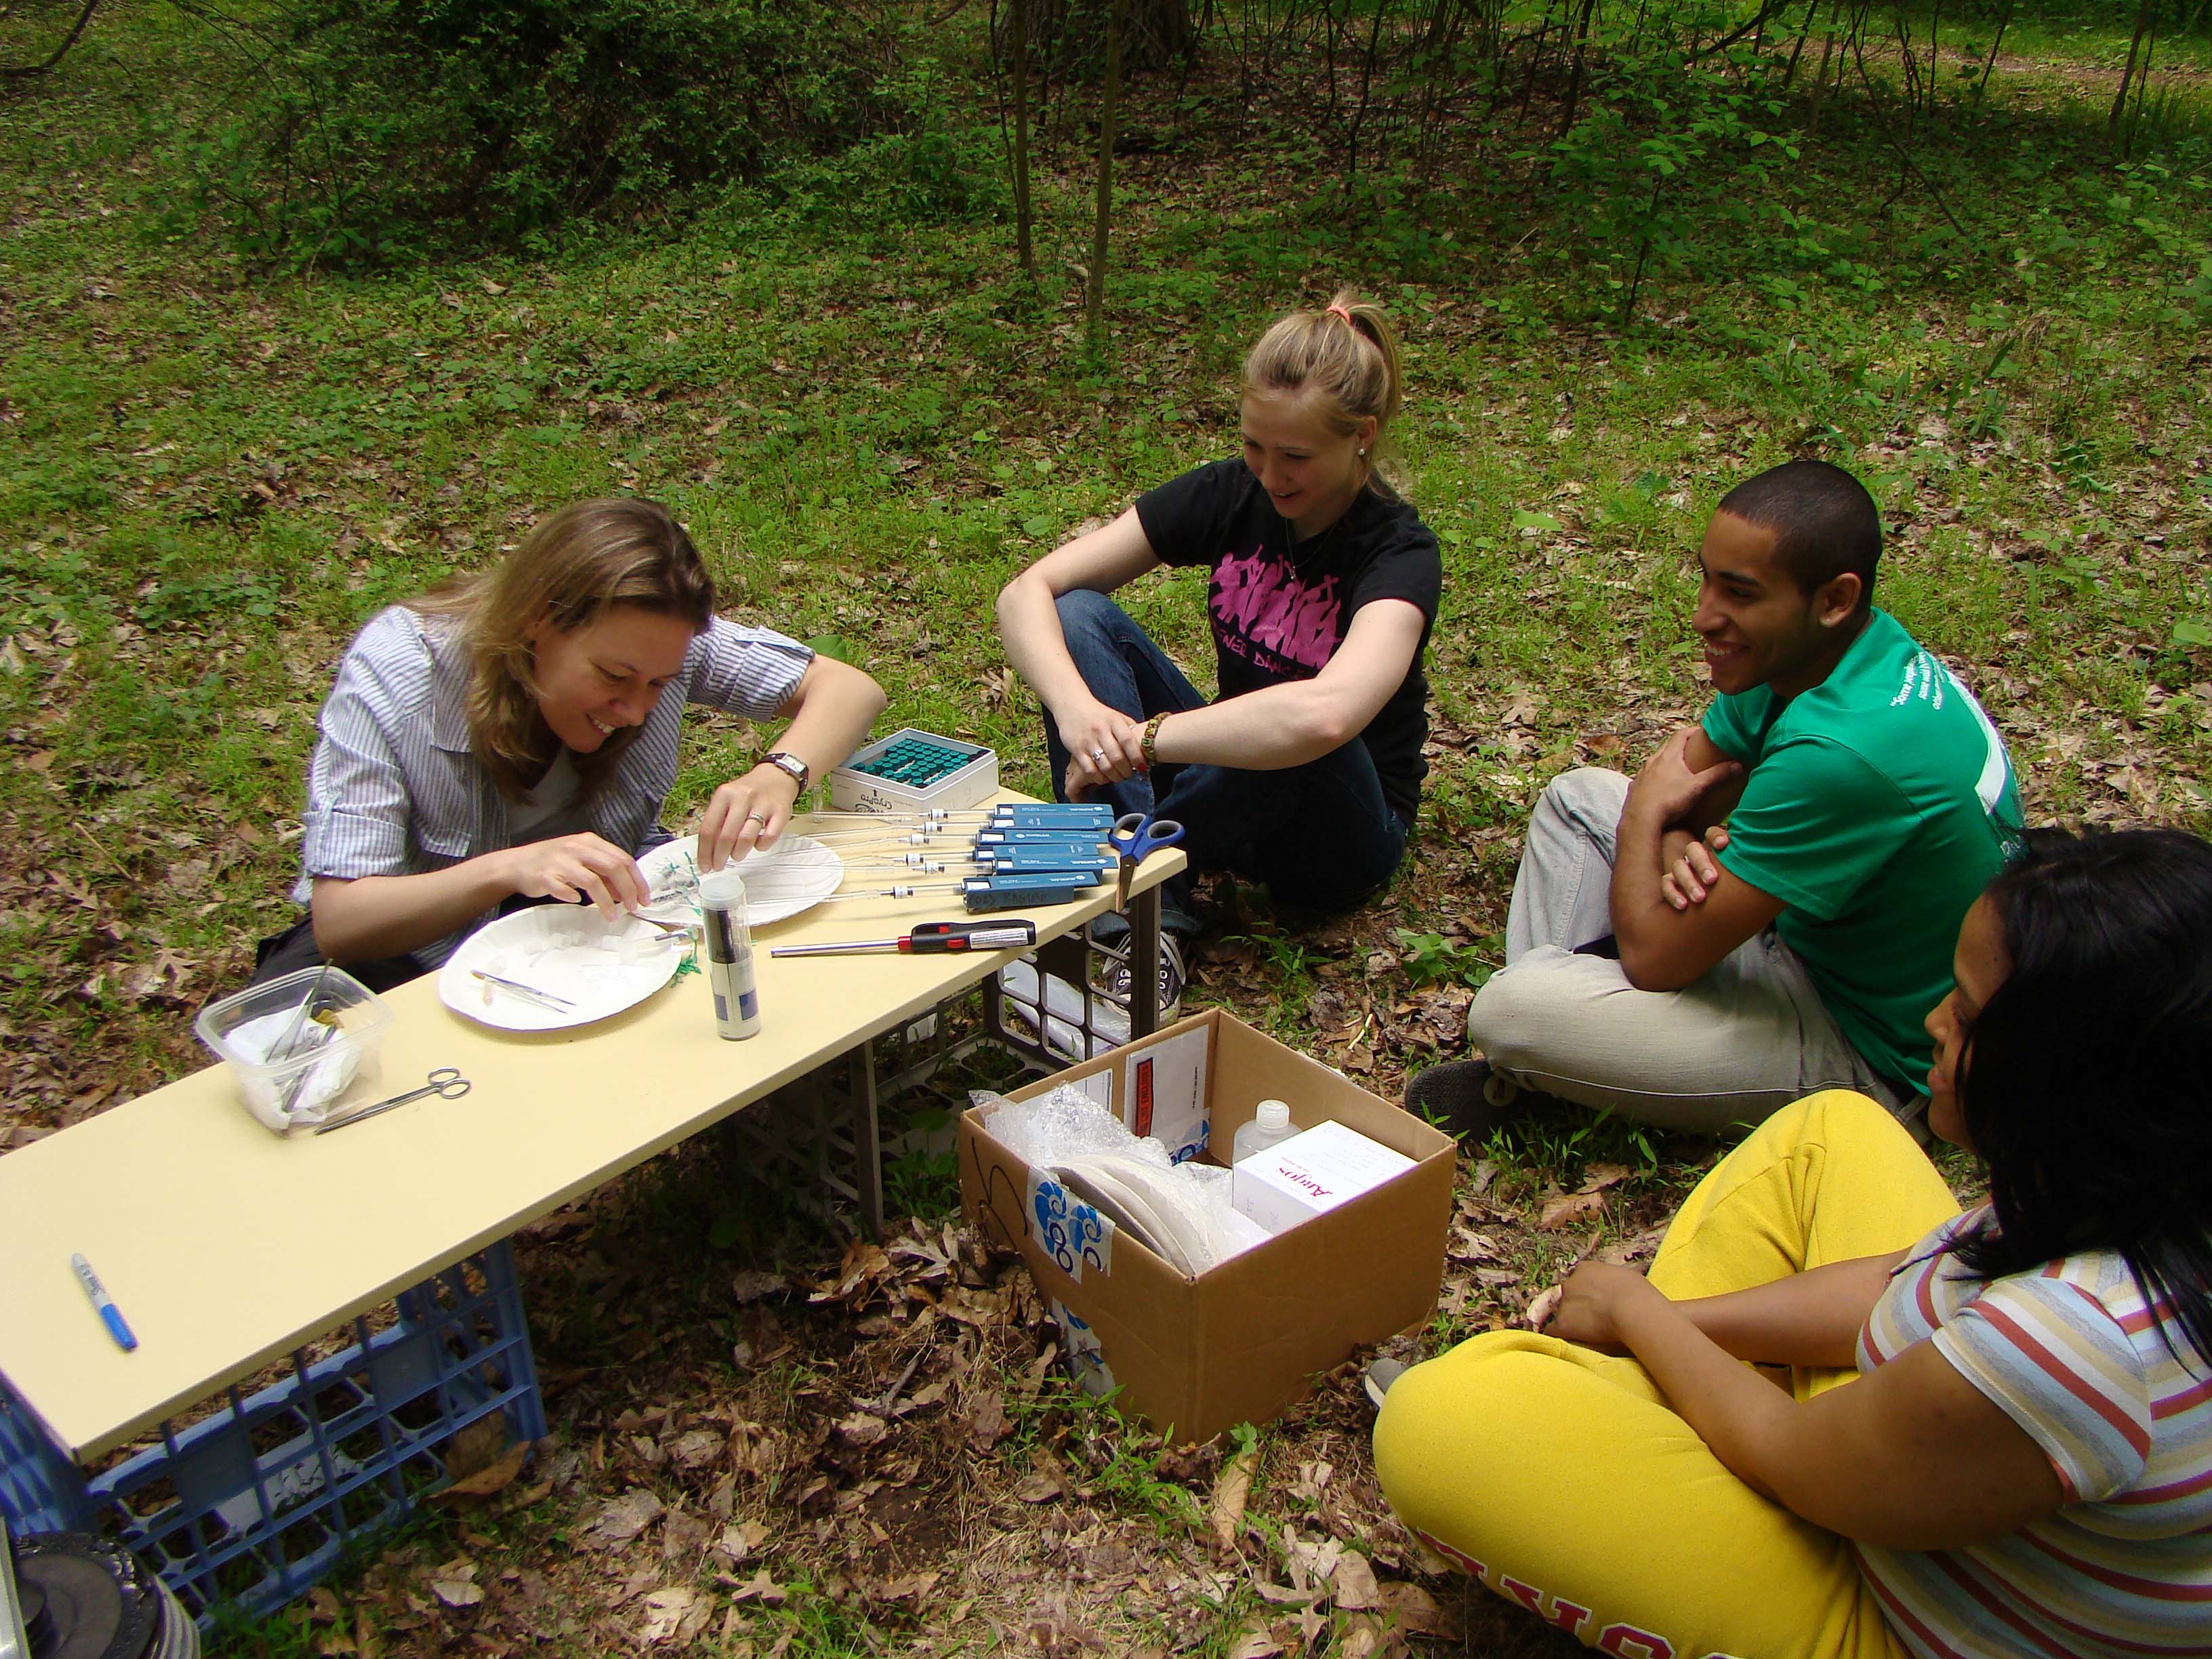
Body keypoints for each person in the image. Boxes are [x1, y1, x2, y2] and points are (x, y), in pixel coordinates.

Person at [1373, 825, 2212, 1659]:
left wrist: (1636, 1312)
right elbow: (1913, 1281)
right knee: (1836, 1131)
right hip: (1908, 1469)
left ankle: (1591, 1427)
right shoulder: (2136, 1191)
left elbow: (1794, 1459)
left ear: (2065, 1075)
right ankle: (1614, 1418)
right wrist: (1680, 1321)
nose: (1933, 1021)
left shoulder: (2069, 1343)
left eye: (1965, 1013)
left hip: (1901, 1609)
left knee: (1437, 1428)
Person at [1411, 459, 2019, 1136]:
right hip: (1791, 928)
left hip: (1863, 1043)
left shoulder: (1845, 752)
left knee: (1510, 1012)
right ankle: (1579, 1047)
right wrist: (1673, 835)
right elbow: (1691, 789)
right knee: (1578, 800)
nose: (1704, 616)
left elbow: (1652, 950)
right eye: (1705, 578)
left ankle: (1552, 1059)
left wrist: (1649, 818)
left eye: (1739, 593)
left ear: (1834, 599)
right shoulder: (1821, 651)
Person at [252, 497, 885, 989]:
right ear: (535, 620)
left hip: (599, 914)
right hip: (417, 943)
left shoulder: (653, 638)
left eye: (659, 683)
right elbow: (342, 921)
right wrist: (503, 871)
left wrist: (781, 771)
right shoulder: (400, 669)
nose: (637, 708)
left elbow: (851, 691)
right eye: (613, 678)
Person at [995, 291, 1442, 964]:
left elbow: (1325, 716)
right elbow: (1028, 592)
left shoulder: (1399, 552)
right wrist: (1079, 712)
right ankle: (1148, 904)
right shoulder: (1239, 491)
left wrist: (1147, 742)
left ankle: (1122, 887)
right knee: (1078, 614)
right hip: (1231, 781)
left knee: (1299, 728)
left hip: (1337, 829)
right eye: (1253, 446)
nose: (1269, 474)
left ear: (1362, 438)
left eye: (1294, 456)